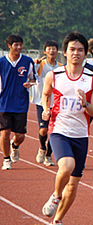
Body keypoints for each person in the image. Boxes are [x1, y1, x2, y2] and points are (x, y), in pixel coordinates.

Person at [41, 31, 93, 225]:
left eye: (80, 50)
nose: (76, 53)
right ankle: (56, 195)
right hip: (59, 131)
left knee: (73, 185)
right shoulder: (54, 75)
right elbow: (45, 94)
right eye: (72, 49)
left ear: (85, 54)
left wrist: (85, 103)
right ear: (64, 52)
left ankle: (58, 220)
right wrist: (45, 109)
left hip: (81, 135)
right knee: (66, 165)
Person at [0, 34, 37, 170]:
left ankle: (14, 146)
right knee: (4, 132)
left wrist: (30, 83)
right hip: (3, 102)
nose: (19, 47)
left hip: (21, 103)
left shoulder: (27, 61)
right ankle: (6, 159)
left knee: (20, 136)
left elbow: (33, 78)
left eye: (21, 45)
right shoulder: (1, 62)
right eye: (16, 45)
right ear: (9, 46)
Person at [31, 40, 63, 166]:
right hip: (42, 101)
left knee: (53, 130)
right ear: (44, 51)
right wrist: (35, 64)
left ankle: (49, 155)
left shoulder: (60, 67)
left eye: (54, 48)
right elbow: (32, 74)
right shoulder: (40, 65)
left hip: (56, 103)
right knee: (43, 130)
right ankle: (42, 148)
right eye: (49, 48)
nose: (52, 51)